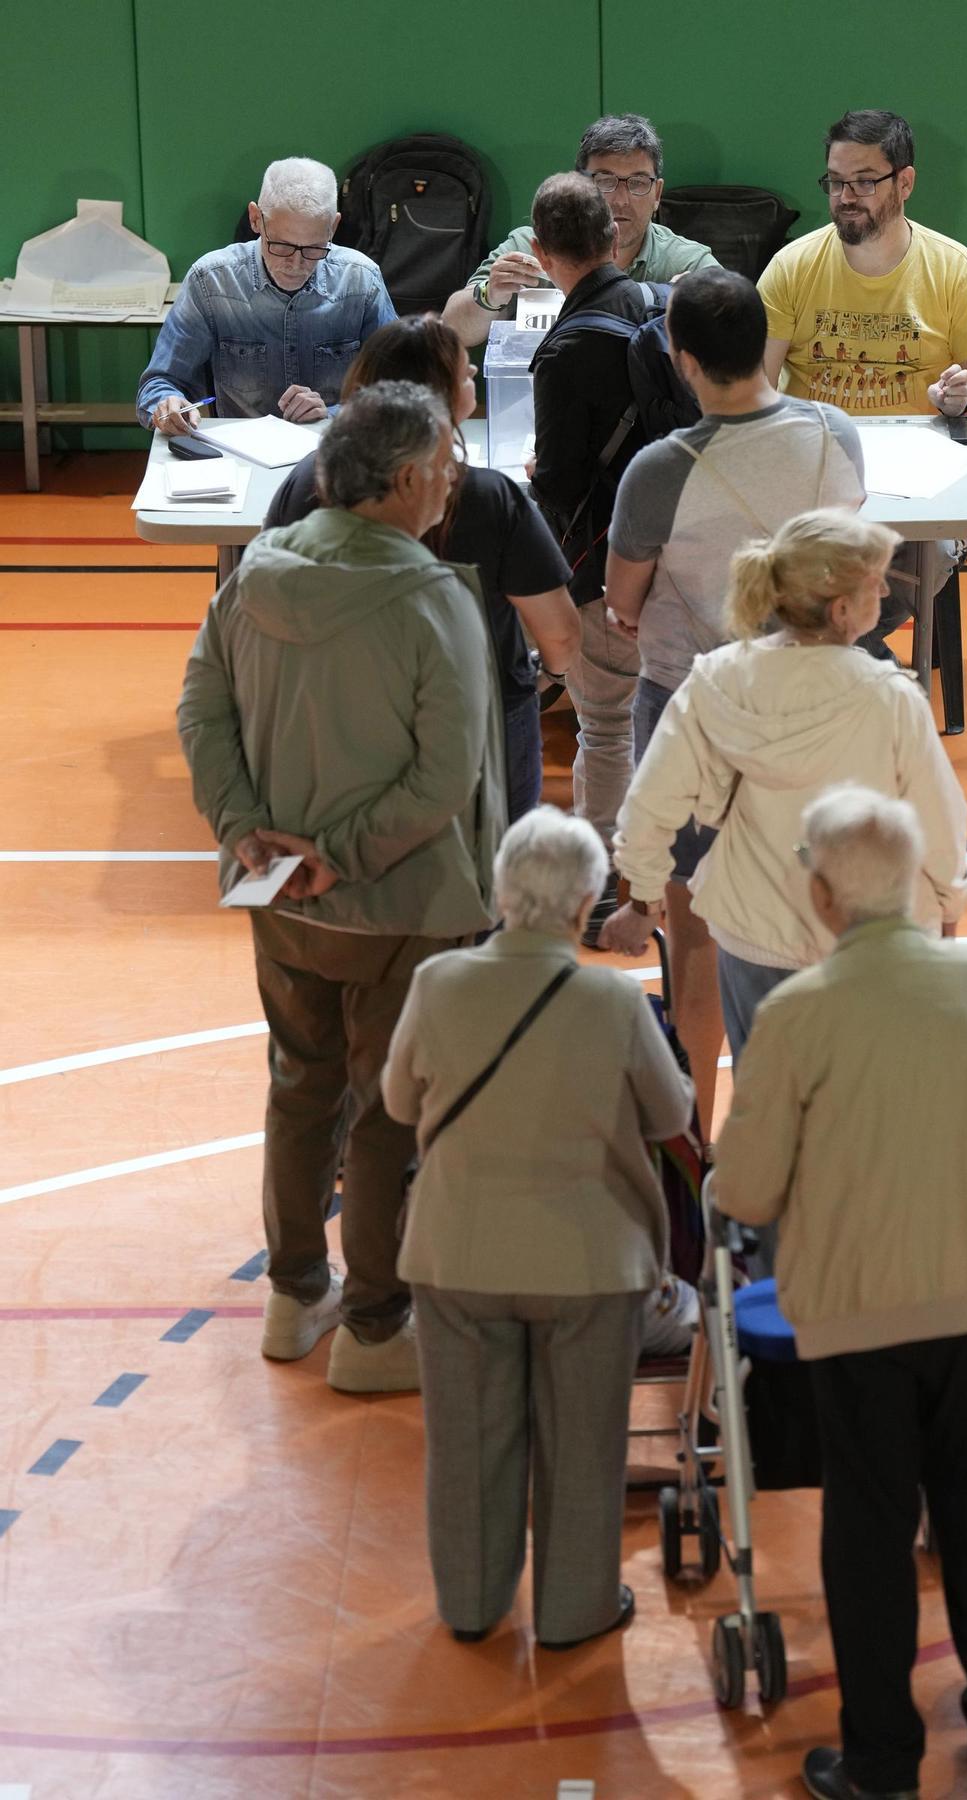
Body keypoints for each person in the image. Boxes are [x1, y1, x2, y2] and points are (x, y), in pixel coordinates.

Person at [713, 785, 967, 1800]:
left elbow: (747, 1188)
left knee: (871, 1532)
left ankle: (882, 1759)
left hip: (857, 1314)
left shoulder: (798, 1015)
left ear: (823, 897)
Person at [177, 381, 505, 1394]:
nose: (451, 488)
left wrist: (251, 838)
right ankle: (372, 1326)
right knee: (385, 1118)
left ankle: (292, 1294)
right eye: (446, 471)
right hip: (401, 904)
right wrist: (345, 853)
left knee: (300, 1087)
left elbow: (202, 716)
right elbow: (446, 780)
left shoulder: (256, 573)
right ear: (405, 480)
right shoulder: (429, 598)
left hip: (279, 899)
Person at [381, 807, 694, 1647]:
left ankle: (474, 1604)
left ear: (499, 889)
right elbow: (672, 1114)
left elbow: (399, 1103)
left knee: (466, 1443)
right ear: (588, 897)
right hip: (589, 1259)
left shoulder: (438, 985)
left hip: (456, 1251)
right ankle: (573, 1607)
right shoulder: (610, 1000)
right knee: (583, 1442)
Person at [599, 268, 865, 1133]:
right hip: (823, 714)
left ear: (683, 363)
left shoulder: (659, 472)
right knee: (815, 929)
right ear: (763, 342)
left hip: (698, 715)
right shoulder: (836, 437)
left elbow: (624, 602)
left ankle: (699, 1147)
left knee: (699, 939)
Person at [610, 510, 967, 1078]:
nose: (884, 588)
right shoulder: (891, 698)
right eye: (874, 580)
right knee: (865, 1115)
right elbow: (940, 823)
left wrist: (642, 898)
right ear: (842, 609)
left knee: (771, 1102)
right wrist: (949, 907)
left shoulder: (714, 682)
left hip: (754, 933)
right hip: (871, 940)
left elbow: (651, 802)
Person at [265, 317, 580, 821]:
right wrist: (546, 675)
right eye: (462, 371)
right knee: (482, 875)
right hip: (480, 722)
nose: (473, 370)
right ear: (435, 398)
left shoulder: (306, 480)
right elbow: (561, 632)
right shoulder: (487, 496)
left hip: (342, 718)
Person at [758, 110, 967, 658]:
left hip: (919, 488)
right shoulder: (791, 267)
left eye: (865, 181)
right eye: (836, 182)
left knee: (866, 590)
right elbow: (759, 384)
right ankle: (858, 676)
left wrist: (964, 394)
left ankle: (830, 668)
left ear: (905, 182)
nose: (847, 196)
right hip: (816, 478)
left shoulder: (952, 267)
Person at [523, 171, 667, 934]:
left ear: (543, 253)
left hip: (604, 569)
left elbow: (558, 480)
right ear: (614, 238)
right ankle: (666, 881)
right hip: (678, 563)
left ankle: (607, 887)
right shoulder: (662, 309)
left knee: (606, 727)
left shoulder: (565, 347)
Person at [137, 157, 396, 434]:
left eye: (314, 249)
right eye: (282, 246)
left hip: (335, 451)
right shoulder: (212, 282)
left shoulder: (360, 280)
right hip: (242, 454)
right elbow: (159, 384)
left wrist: (333, 414)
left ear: (333, 227)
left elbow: (400, 391)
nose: (297, 265)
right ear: (255, 219)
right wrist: (166, 406)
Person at [443, 114, 718, 348]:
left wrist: (698, 306)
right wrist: (489, 294)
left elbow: (736, 330)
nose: (621, 200)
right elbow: (453, 330)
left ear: (657, 193)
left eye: (637, 182)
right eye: (605, 180)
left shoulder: (686, 260)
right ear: (580, 185)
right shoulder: (530, 247)